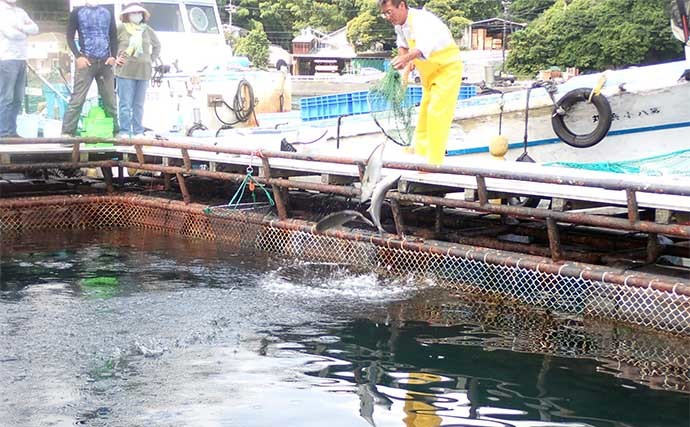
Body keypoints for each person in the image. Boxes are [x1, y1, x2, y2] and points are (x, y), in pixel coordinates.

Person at [378, 0, 463, 165]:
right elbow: (403, 46)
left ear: (401, 5)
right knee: (424, 113)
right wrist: (403, 74)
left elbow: (421, 49)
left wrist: (406, 58)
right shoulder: (400, 25)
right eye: (385, 14)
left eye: (389, 12)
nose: (388, 17)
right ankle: (422, 157)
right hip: (429, 74)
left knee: (437, 113)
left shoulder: (421, 20)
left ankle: (434, 161)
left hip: (447, 70)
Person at [62, 0, 118, 137]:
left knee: (110, 99)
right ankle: (67, 133)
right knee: (77, 99)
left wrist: (113, 56)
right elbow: (69, 36)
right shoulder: (77, 12)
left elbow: (113, 36)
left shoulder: (108, 11)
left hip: (105, 62)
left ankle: (115, 131)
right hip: (87, 61)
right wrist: (78, 56)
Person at [115, 3, 160, 138]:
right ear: (127, 15)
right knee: (125, 104)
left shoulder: (147, 30)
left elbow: (157, 46)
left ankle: (138, 131)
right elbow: (110, 43)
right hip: (125, 71)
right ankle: (124, 131)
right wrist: (115, 58)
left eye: (139, 13)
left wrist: (150, 59)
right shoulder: (121, 28)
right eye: (133, 13)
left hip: (144, 71)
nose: (136, 15)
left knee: (138, 105)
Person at [0, 0, 38, 138]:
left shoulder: (20, 12)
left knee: (17, 98)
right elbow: (10, 33)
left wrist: (20, 27)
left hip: (22, 58)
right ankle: (3, 132)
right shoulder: (1, 11)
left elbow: (35, 29)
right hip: (6, 58)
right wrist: (24, 31)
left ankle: (12, 131)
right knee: (6, 97)